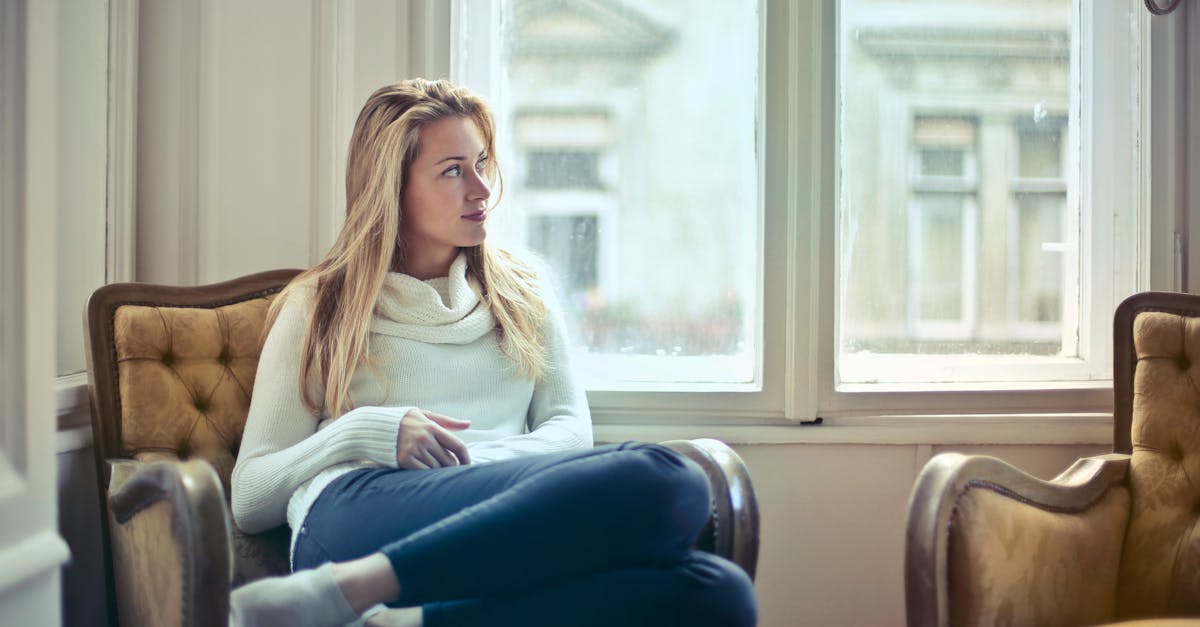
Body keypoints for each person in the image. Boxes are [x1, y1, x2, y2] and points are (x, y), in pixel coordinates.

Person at [230, 78, 756, 627]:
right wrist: (369, 431)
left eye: (481, 163)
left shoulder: (523, 291)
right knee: (669, 477)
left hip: (497, 509)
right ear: (392, 189)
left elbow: (569, 430)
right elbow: (250, 495)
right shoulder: (320, 306)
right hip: (357, 510)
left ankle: (400, 619)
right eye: (453, 170)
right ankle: (349, 585)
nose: (481, 189)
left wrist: (471, 468)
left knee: (718, 593)